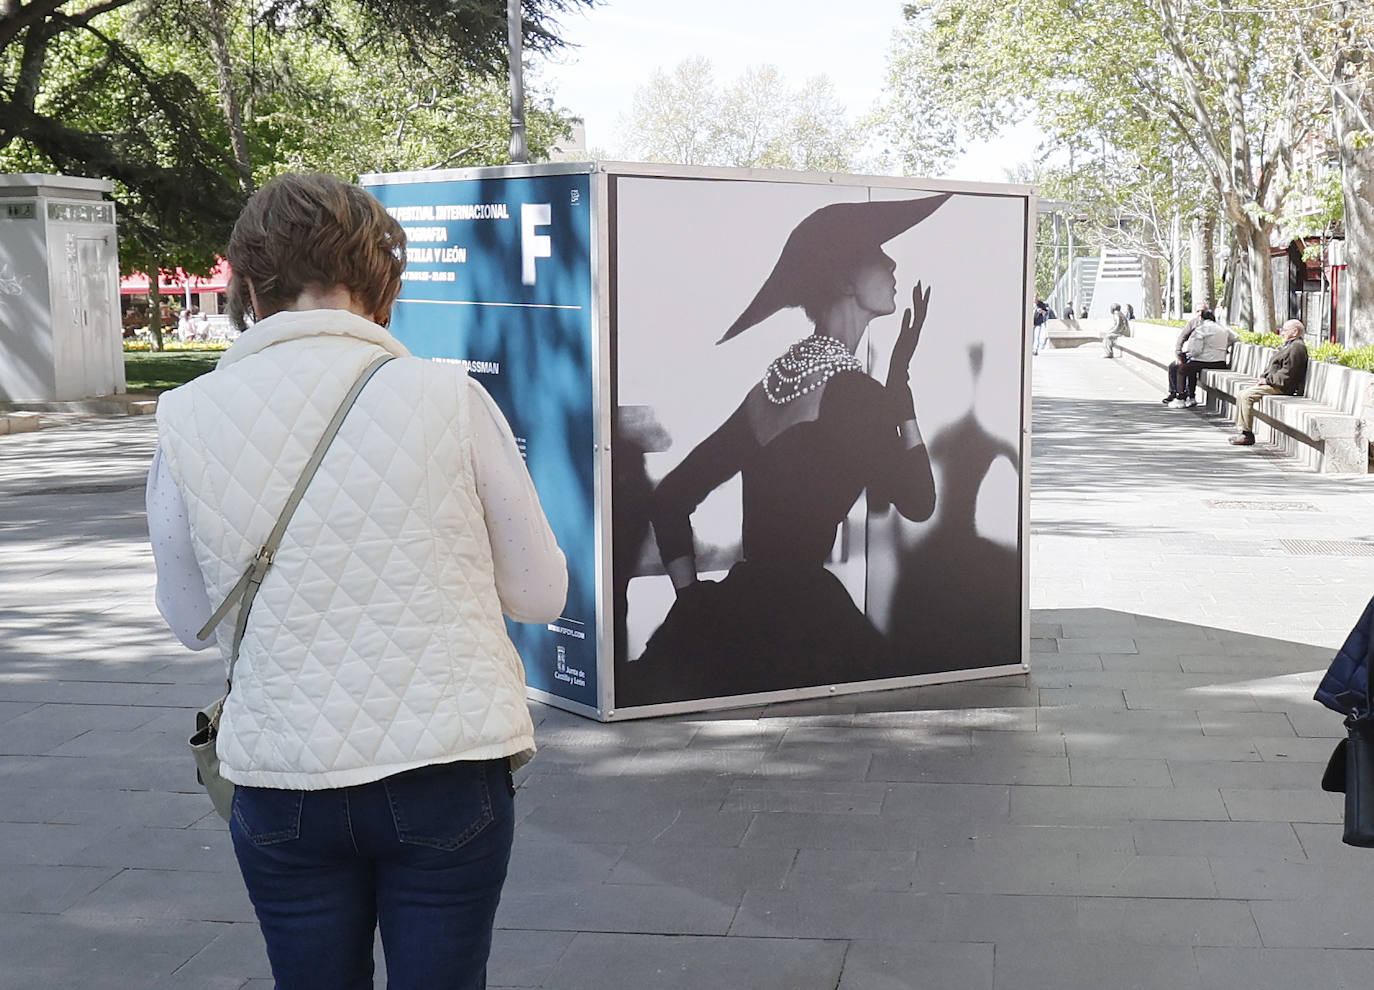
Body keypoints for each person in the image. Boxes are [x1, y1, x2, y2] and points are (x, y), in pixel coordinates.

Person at [146, 173, 567, 989]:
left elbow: (190, 617)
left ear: (248, 283)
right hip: (447, 762)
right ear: (381, 280)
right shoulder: (449, 396)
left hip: (282, 770)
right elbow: (540, 593)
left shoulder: (186, 416)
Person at [622, 195, 946, 705]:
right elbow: (919, 502)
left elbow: (671, 500)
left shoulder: (776, 381)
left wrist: (693, 607)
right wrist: (899, 393)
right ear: (843, 282)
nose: (892, 263)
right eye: (876, 254)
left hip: (739, 608)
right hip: (803, 625)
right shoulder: (857, 395)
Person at [1230, 318, 1309, 446]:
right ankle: (1242, 430)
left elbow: (1288, 374)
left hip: (1281, 387)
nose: (1281, 333)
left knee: (1246, 396)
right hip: (1273, 383)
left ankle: (1247, 434)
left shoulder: (1297, 348)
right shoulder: (1290, 345)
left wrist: (1267, 380)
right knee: (1241, 394)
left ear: (1295, 332)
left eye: (1284, 330)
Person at [1169, 308, 1237, 408]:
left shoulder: (1201, 330)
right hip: (1220, 362)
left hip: (1204, 361)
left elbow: (1196, 351)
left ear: (1202, 318)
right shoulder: (1223, 328)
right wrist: (1223, 347)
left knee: (1183, 369)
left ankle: (1181, 397)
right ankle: (1191, 397)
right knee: (1191, 368)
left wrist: (1188, 354)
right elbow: (1235, 337)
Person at [1162, 305, 1207, 404]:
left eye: (1202, 311)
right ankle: (1174, 392)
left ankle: (1190, 395)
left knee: (1189, 369)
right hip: (1191, 353)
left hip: (1202, 356)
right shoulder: (1193, 323)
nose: (1200, 313)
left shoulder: (1211, 325)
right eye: (1198, 311)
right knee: (1173, 366)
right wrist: (1178, 353)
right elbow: (1182, 337)